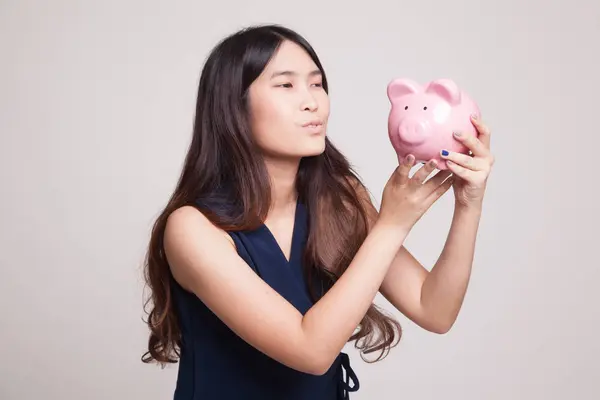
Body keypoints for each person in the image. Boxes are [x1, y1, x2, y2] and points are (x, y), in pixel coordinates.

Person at [141, 24, 495, 400]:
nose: (312, 101)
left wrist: (468, 202)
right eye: (286, 85)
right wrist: (391, 226)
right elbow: (310, 351)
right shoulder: (192, 229)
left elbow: (433, 308)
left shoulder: (338, 199)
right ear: (234, 105)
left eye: (316, 83)